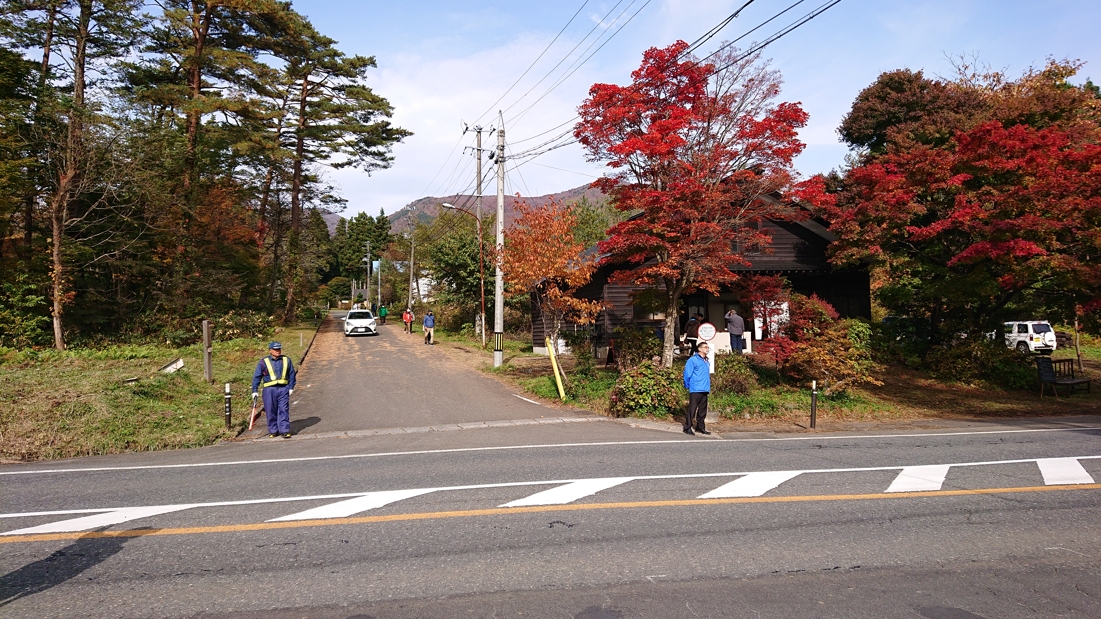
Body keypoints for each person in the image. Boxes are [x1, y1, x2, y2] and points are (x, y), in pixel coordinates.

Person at [251, 341, 296, 439]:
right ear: (270, 350)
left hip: (283, 389)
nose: (278, 351)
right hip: (269, 390)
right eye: (276, 349)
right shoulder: (264, 362)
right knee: (270, 410)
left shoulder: (286, 360)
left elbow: (292, 374)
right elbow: (257, 376)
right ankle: (273, 430)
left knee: (283, 409)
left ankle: (284, 430)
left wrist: (291, 387)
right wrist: (254, 390)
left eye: (279, 349)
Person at [682, 340, 711, 436]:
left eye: (708, 347)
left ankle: (700, 427)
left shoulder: (706, 360)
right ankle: (687, 427)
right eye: (705, 347)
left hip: (704, 388)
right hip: (695, 388)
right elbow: (687, 373)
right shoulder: (693, 360)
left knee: (703, 410)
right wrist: (687, 384)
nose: (707, 349)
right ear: (699, 349)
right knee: (692, 409)